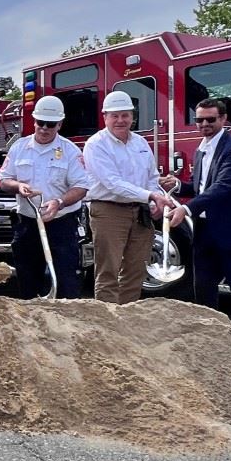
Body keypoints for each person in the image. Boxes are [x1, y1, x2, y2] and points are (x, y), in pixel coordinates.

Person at [162, 99, 231, 338]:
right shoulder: (202, 148)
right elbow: (201, 187)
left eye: (210, 119)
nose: (204, 124)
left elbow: (223, 186)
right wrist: (177, 185)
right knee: (204, 292)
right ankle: (211, 343)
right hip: (206, 232)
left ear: (223, 119)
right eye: (199, 120)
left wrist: (186, 210)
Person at [0, 96, 93, 299]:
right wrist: (19, 186)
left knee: (66, 282)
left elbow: (82, 187)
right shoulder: (18, 148)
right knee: (27, 281)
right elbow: (4, 180)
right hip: (27, 225)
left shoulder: (70, 151)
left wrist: (59, 202)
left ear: (59, 124)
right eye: (40, 123)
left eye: (50, 124)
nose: (44, 128)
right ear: (34, 121)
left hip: (61, 225)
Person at [83, 90, 168, 304]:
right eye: (114, 115)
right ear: (105, 117)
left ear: (132, 116)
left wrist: (152, 199)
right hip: (108, 211)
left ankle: (128, 318)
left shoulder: (140, 143)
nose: (120, 120)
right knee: (108, 270)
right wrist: (151, 195)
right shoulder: (96, 144)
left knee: (136, 269)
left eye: (125, 115)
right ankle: (108, 323)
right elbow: (112, 183)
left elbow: (152, 176)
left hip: (140, 211)